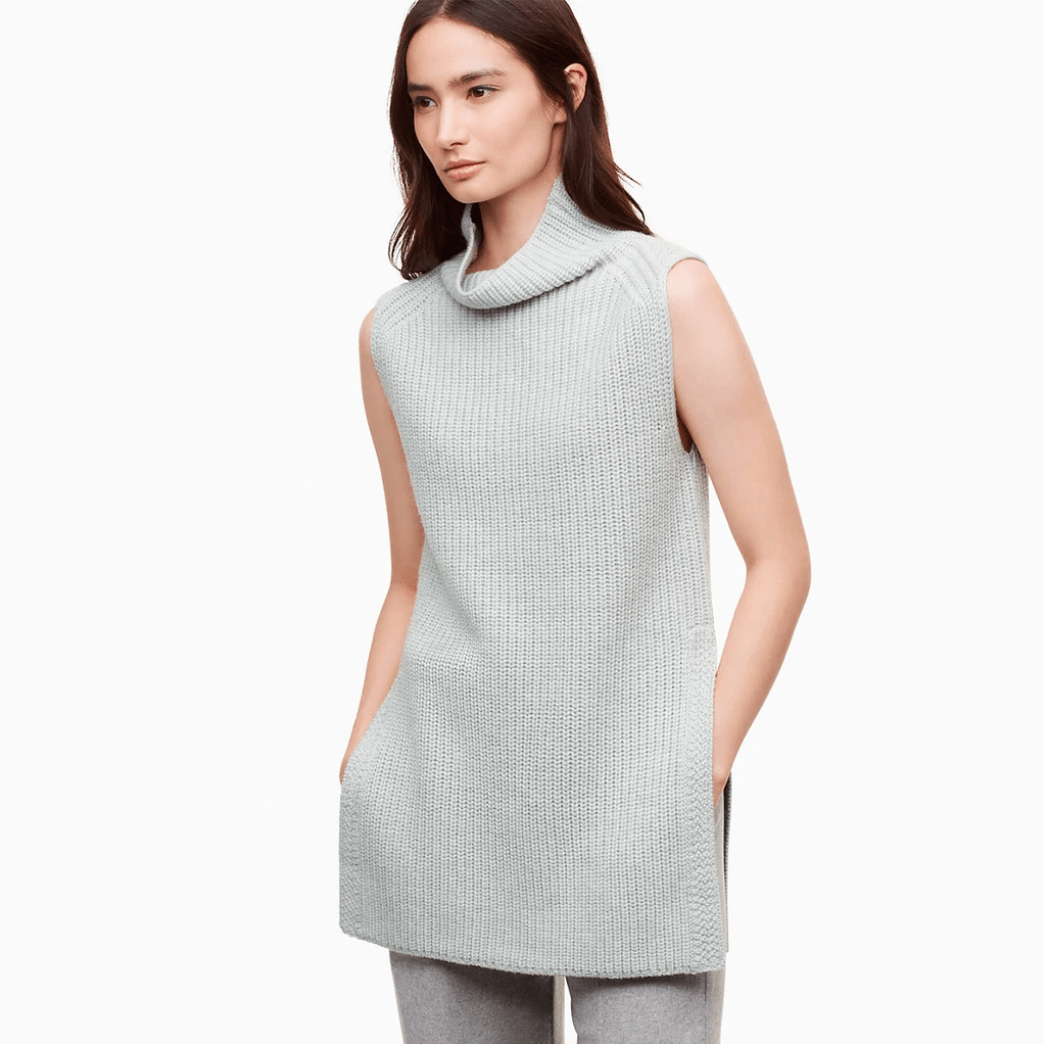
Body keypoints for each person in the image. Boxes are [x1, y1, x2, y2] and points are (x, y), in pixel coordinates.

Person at [338, 1, 811, 1040]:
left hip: (636, 807)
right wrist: (362, 756)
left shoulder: (665, 294)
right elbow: (411, 576)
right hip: (439, 797)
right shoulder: (395, 335)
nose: (448, 129)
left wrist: (701, 763)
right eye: (424, 101)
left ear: (566, 94)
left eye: (479, 90)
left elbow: (780, 558)